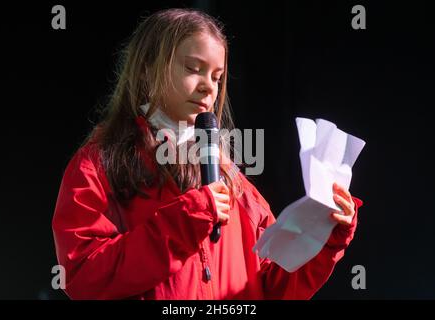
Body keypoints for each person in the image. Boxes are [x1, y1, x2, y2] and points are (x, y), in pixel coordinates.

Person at [52, 8, 363, 300]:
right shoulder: (101, 164)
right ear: (147, 70)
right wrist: (187, 218)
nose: (208, 88)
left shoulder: (231, 179)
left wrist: (325, 235)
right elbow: (82, 274)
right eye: (193, 69)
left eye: (216, 76)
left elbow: (273, 285)